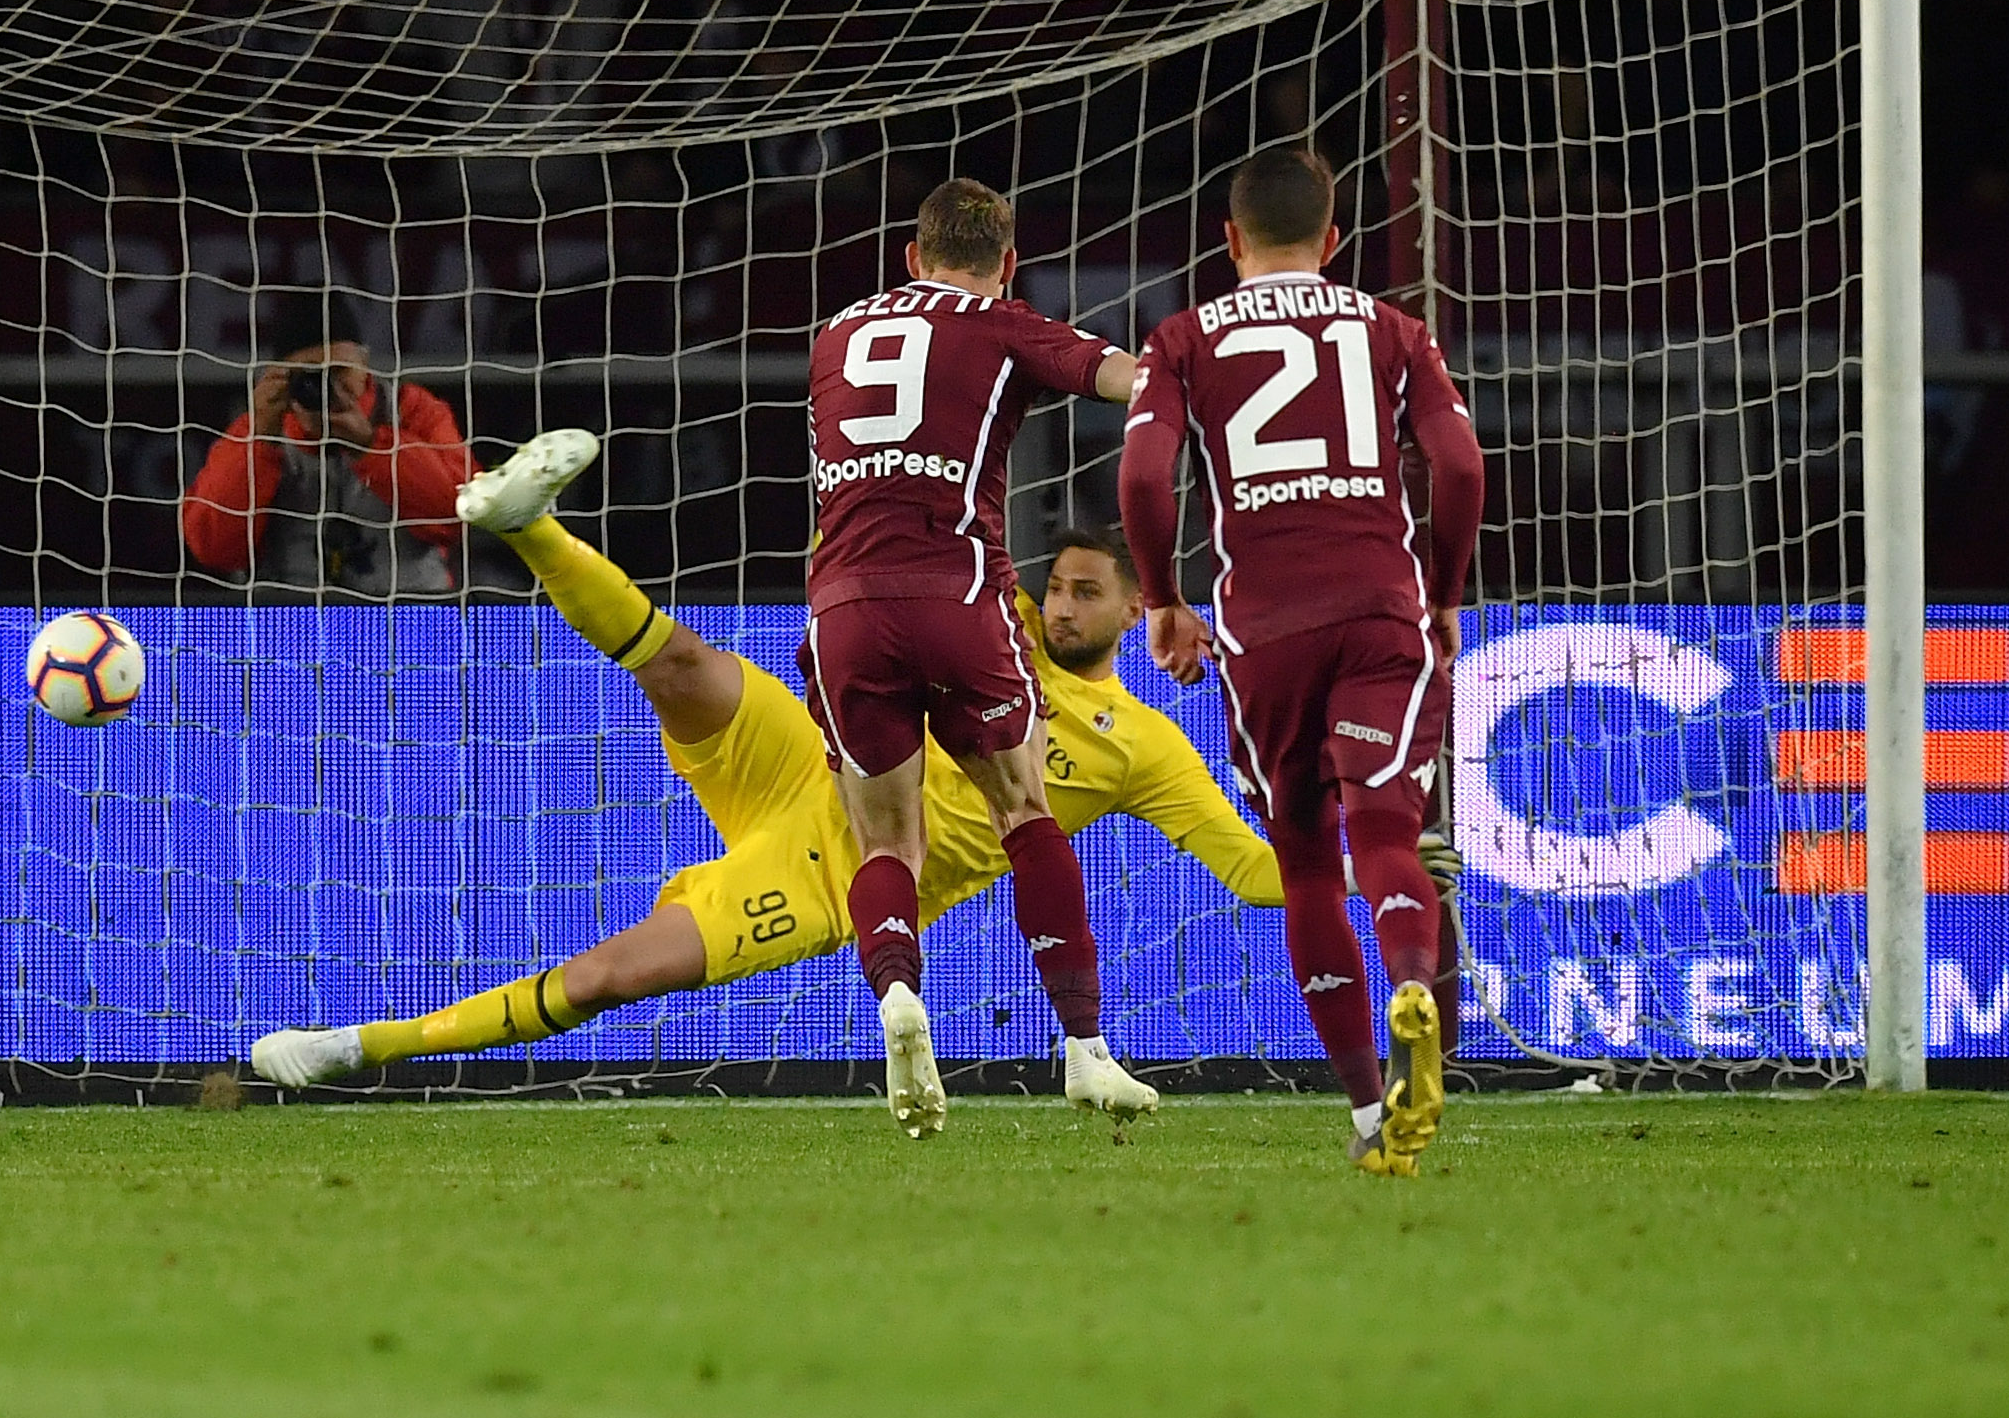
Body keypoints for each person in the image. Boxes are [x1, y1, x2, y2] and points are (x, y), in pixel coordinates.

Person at [255, 463, 1276, 1087]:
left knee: (609, 974)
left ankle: (362, 1046)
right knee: (680, 665)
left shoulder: (1143, 745)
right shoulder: (995, 625)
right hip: (815, 759)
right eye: (1053, 586)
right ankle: (527, 522)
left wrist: (1376, 862)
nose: (1058, 607)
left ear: (1136, 610)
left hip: (839, 869)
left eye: (1085, 594)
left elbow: (1250, 871)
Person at [1121, 145, 1487, 1177]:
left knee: (1304, 864)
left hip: (1264, 631)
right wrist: (1444, 590)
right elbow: (1459, 464)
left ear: (1228, 240)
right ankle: (1413, 975)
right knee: (1385, 829)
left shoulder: (1183, 335)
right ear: (1333, 242)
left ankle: (1370, 1112)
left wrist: (1160, 598)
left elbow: (1145, 480)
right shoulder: (1387, 326)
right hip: (1379, 608)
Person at [802, 178, 1160, 1132]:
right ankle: (1083, 1051)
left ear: (910, 257)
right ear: (1005, 264)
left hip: (842, 602)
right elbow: (1126, 378)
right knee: (1022, 807)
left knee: (885, 840)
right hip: (957, 595)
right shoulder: (1000, 322)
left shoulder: (834, 335)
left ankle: (895, 998)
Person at [181, 334, 472, 597]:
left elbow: (459, 516)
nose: (326, 387)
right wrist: (260, 442)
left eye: (338, 372)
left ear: (365, 366)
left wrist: (372, 445)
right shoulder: (258, 427)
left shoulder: (411, 411)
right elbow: (212, 549)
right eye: (307, 376)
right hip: (290, 625)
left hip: (407, 617)